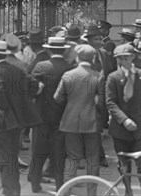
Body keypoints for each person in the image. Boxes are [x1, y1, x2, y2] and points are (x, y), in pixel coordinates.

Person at [105, 43, 141, 196]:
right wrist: (124, 120)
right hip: (120, 130)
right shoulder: (112, 78)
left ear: (133, 57)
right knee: (123, 163)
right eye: (120, 59)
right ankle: (128, 191)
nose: (123, 61)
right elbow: (110, 102)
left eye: (126, 57)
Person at [0, 40, 41, 196]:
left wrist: (1, 106)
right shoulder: (16, 69)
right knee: (12, 155)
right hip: (17, 119)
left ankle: (9, 191)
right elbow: (33, 85)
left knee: (4, 158)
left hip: (3, 119)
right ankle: (13, 189)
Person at [54, 44, 106, 196]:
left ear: (77, 57)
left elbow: (57, 98)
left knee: (72, 158)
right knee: (92, 159)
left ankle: (66, 192)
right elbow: (102, 104)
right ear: (93, 58)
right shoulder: (98, 76)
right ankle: (91, 193)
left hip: (70, 121)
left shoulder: (68, 75)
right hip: (91, 123)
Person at [28, 37, 75, 193]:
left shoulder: (41, 67)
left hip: (42, 115)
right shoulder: (69, 68)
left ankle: (35, 183)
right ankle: (60, 186)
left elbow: (30, 86)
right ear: (64, 50)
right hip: (62, 116)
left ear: (49, 49)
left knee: (38, 151)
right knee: (59, 153)